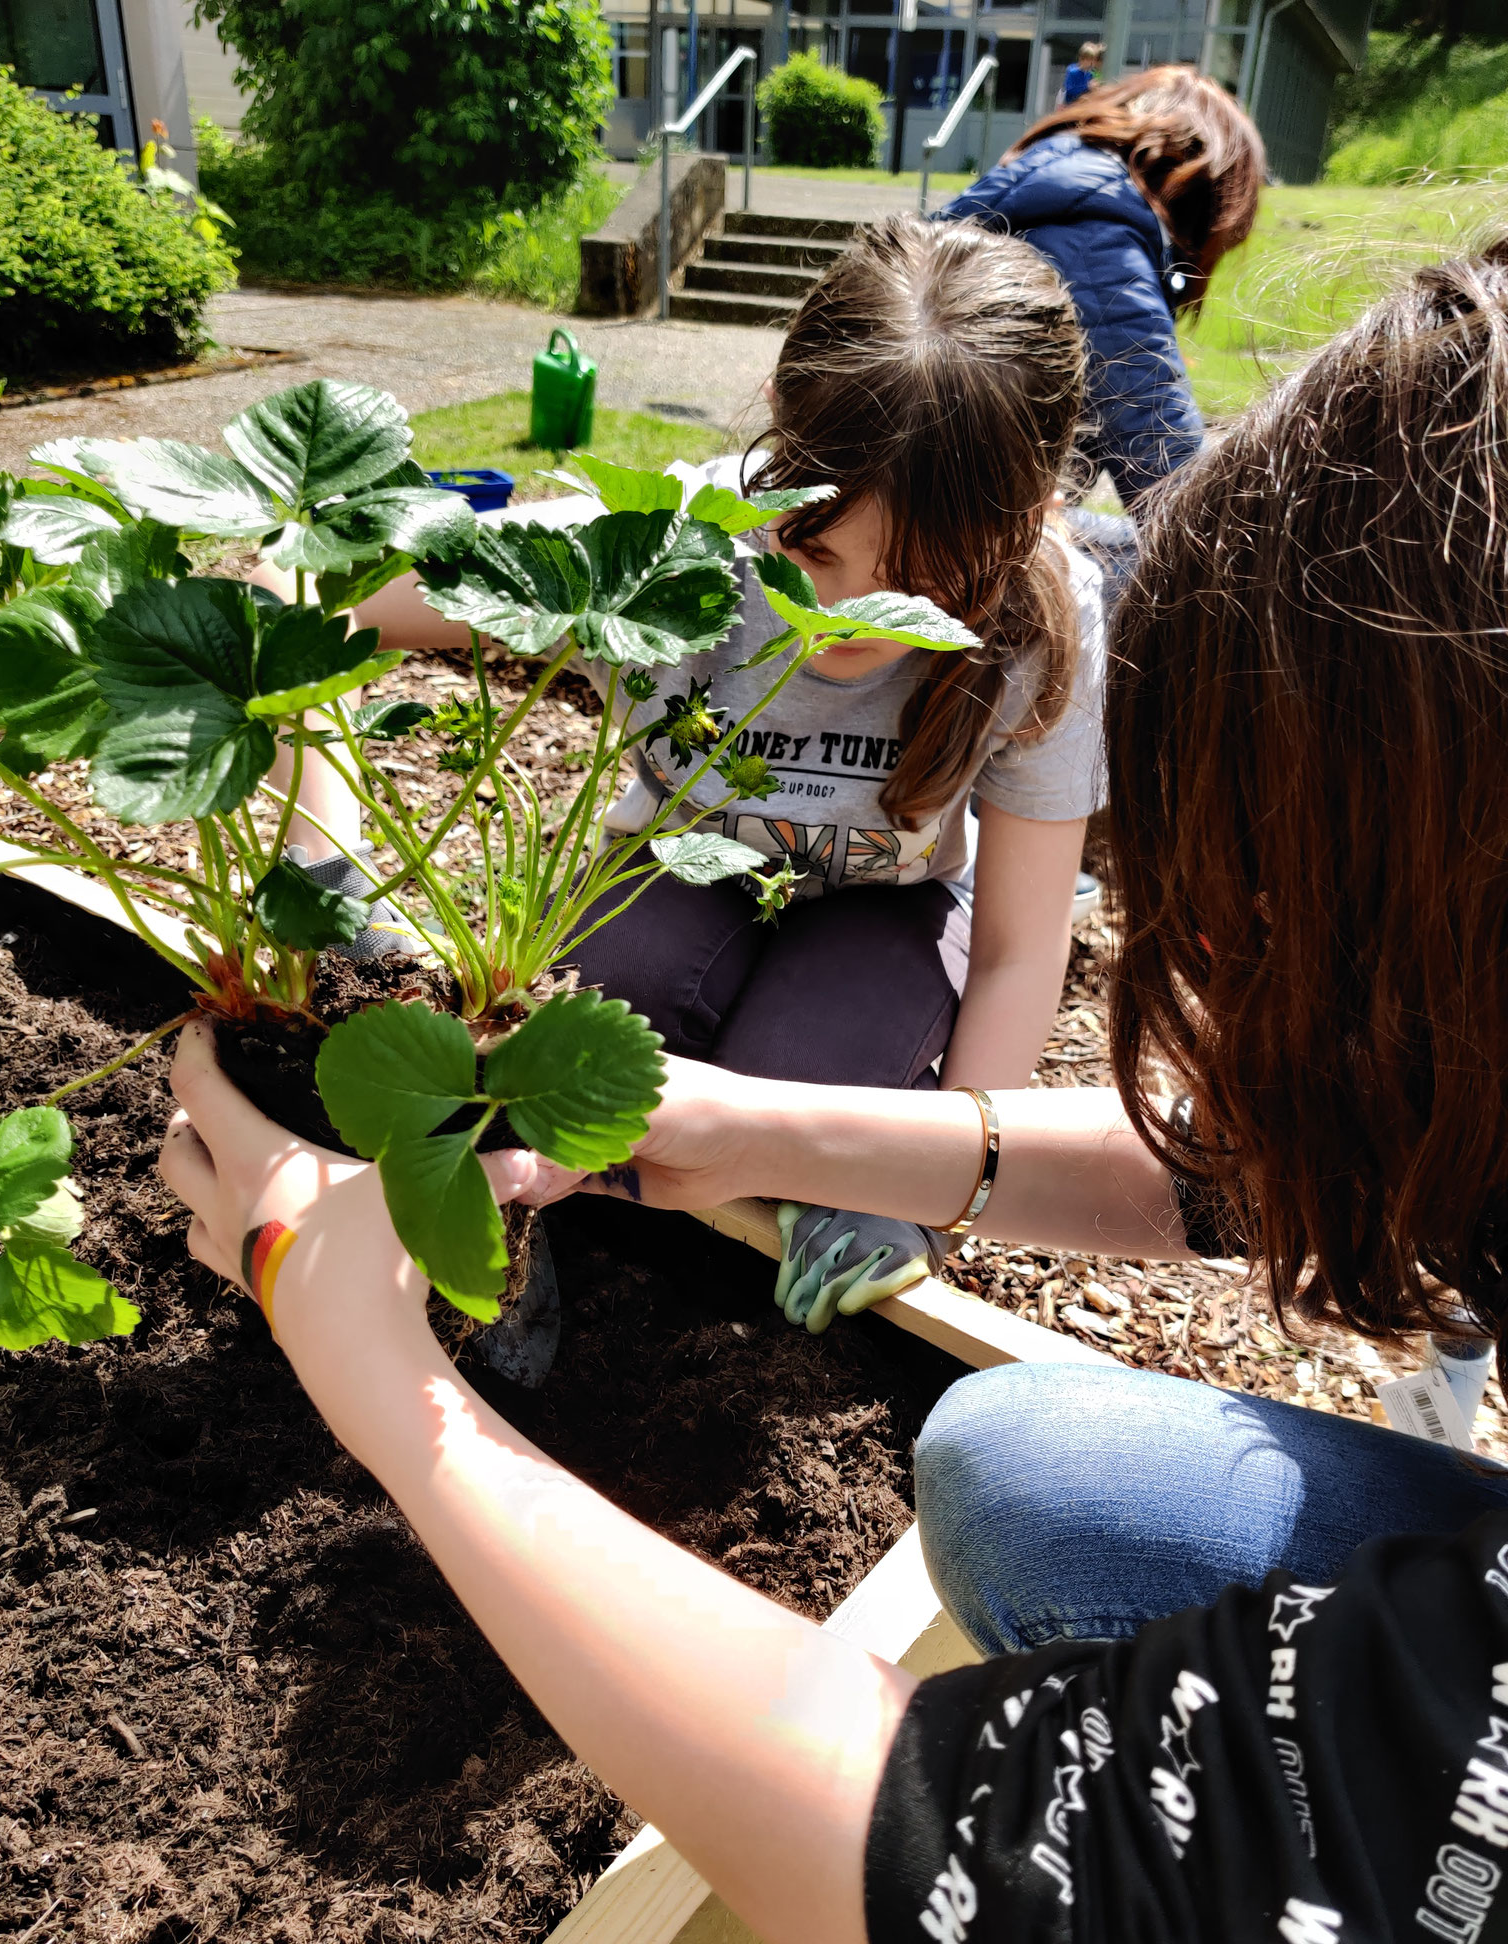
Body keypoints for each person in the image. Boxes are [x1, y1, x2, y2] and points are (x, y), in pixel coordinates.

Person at [165, 240, 1508, 1944]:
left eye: (1276, 903)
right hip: (676, 899)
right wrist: (761, 1130)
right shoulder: (686, 540)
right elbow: (1249, 1161)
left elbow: (1015, 1900)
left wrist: (394, 1397)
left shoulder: (1039, 637)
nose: (1228, 965)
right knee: (1022, 1454)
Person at [282, 217, 1109, 1334]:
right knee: (562, 1055)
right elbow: (306, 607)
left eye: (925, 584)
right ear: (780, 431)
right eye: (814, 557)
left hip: (885, 908)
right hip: (675, 871)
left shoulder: (1043, 612)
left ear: (1034, 519)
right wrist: (328, 875)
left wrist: (939, 1185)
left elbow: (1018, 947)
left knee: (809, 1113)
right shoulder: (667, 544)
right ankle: (528, 1267)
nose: (842, 616)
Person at [940, 65, 1265, 511]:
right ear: (1207, 193)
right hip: (934, 538)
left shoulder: (1053, 178)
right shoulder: (1097, 242)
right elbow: (1177, 494)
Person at [1058, 39, 1104, 107]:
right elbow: (1070, 90)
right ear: (1081, 59)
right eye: (1089, 60)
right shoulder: (1072, 72)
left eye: (1093, 60)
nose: (1091, 63)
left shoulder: (1090, 74)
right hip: (1071, 106)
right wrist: (1087, 86)